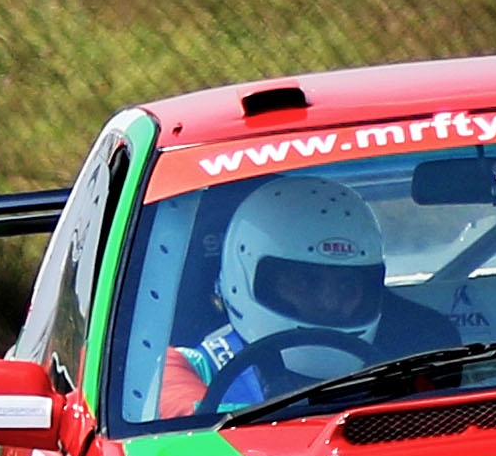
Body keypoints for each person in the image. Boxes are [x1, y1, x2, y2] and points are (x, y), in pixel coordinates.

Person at [165, 172, 453, 411]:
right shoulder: (185, 367)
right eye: (307, 283)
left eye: (346, 284)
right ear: (250, 278)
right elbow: (180, 421)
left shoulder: (414, 365)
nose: (330, 300)